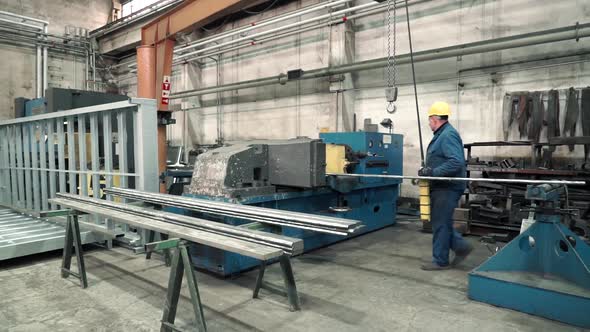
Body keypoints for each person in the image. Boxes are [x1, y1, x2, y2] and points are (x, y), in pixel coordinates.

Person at [418, 101, 473, 270]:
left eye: (429, 120)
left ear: (435, 119)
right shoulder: (442, 134)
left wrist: (432, 173)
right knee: (442, 221)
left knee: (440, 223)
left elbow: (456, 161)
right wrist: (428, 170)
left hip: (447, 187)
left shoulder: (448, 135)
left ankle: (440, 261)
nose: (428, 124)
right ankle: (461, 246)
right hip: (442, 186)